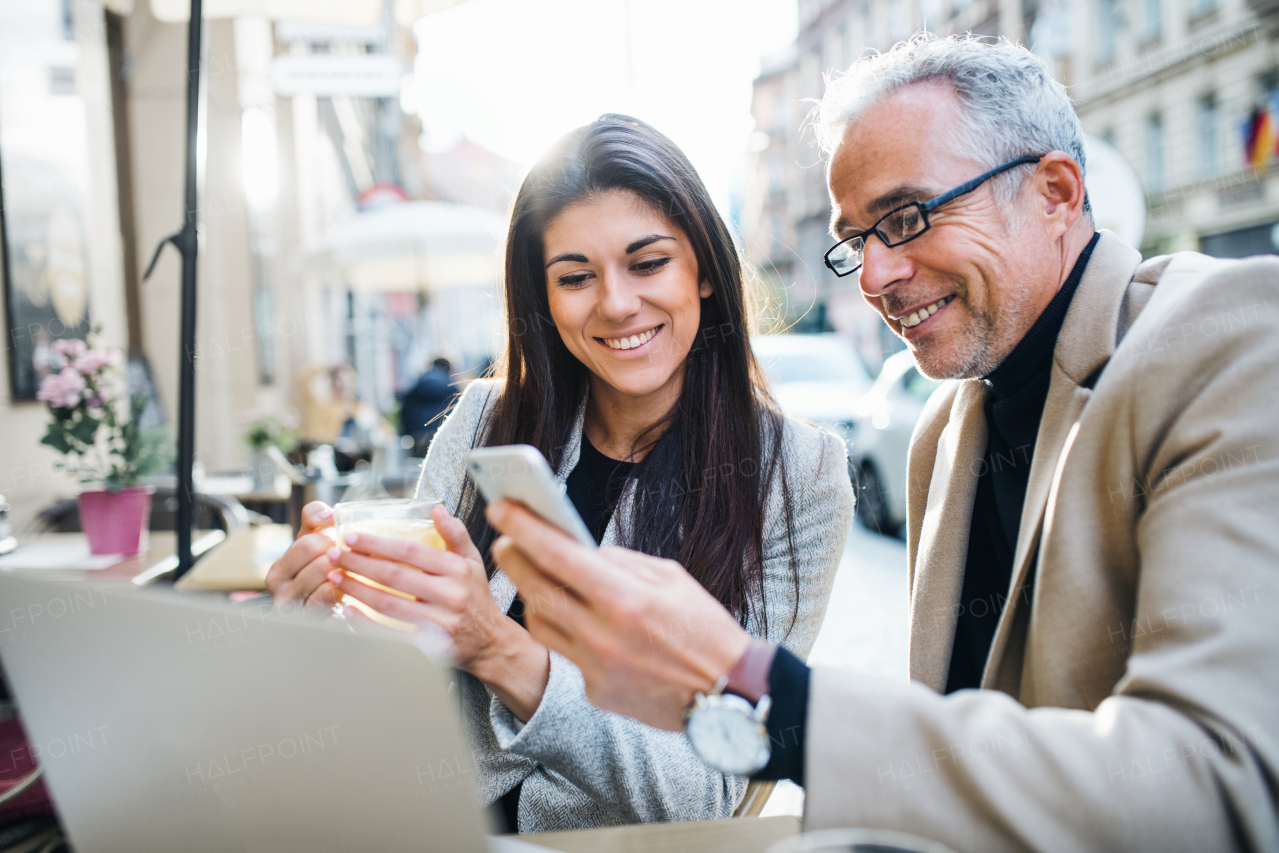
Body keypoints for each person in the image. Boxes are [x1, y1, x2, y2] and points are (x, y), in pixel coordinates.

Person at [485, 35, 1279, 851]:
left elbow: (1218, 784)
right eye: (859, 238)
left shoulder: (1229, 333)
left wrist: (764, 691)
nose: (874, 276)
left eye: (905, 218)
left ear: (1055, 192)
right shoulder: (944, 430)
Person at [266, 115, 854, 833]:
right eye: (575, 277)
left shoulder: (800, 476)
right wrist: (329, 624)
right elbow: (402, 678)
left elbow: (704, 792)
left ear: (702, 270)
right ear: (542, 297)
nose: (614, 302)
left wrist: (502, 650)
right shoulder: (485, 419)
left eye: (647, 263)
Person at [398, 357, 460, 457]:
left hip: (416, 442)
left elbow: (404, 414)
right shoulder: (453, 390)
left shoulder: (414, 388)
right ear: (449, 369)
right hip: (444, 442)